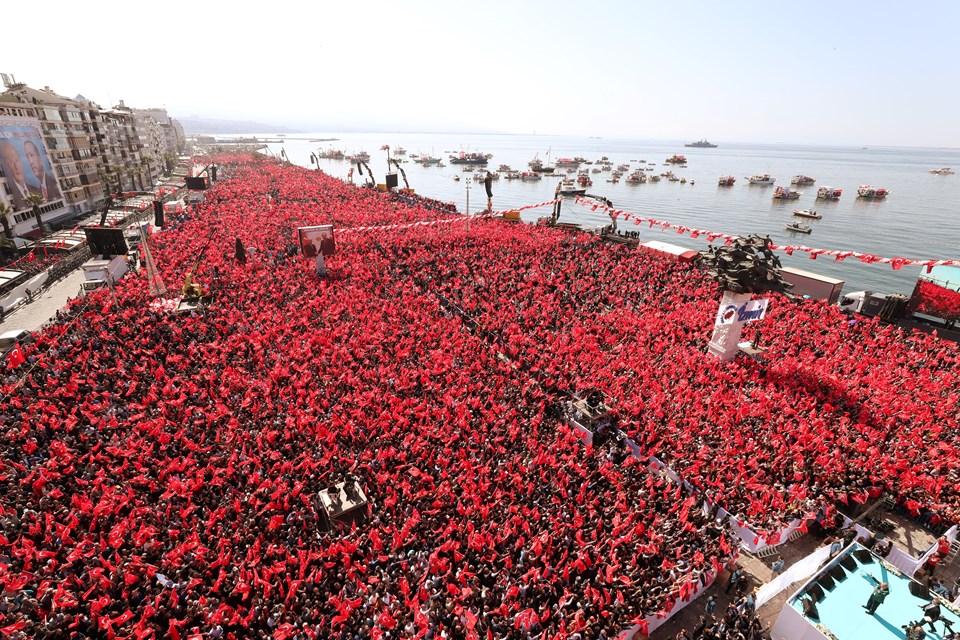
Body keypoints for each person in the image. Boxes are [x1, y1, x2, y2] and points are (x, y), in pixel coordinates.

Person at [0, 139, 41, 210]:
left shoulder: (36, 190)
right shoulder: (11, 193)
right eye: (11, 162)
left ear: (21, 161)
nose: (16, 166)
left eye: (16, 160)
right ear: (5, 166)